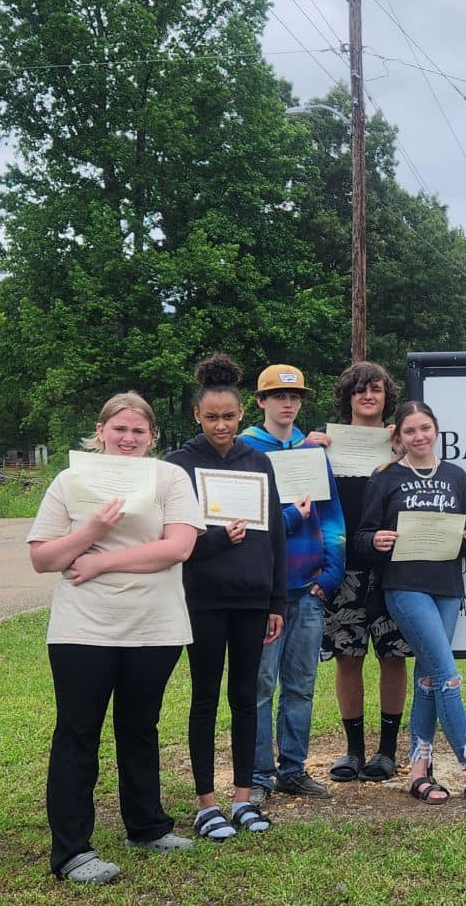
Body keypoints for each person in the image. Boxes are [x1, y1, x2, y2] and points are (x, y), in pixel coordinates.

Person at [28, 393, 203, 884]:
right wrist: (94, 530)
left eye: (138, 431)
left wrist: (101, 559)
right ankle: (71, 852)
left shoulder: (169, 477)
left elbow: (180, 545)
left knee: (140, 727)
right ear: (101, 431)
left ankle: (147, 827)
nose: (128, 438)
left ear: (152, 437)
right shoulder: (71, 480)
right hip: (83, 626)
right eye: (119, 429)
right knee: (78, 733)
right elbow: (44, 557)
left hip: (155, 624)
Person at [355, 400, 466, 804]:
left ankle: (417, 770)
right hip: (405, 587)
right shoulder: (385, 478)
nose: (418, 437)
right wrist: (375, 541)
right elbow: (362, 540)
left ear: (436, 430)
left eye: (425, 428)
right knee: (446, 673)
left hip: (447, 588)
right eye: (410, 431)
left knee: (429, 677)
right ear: (398, 437)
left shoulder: (455, 476)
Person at [165, 354, 286, 840]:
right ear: (196, 415)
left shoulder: (257, 462)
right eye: (211, 416)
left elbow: (274, 533)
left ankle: (242, 798)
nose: (221, 425)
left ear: (242, 417)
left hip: (253, 600)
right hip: (202, 600)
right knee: (205, 697)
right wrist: (215, 538)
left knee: (246, 697)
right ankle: (205, 803)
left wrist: (277, 601)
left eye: (229, 416)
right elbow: (171, 539)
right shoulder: (177, 466)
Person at [240, 364, 346, 803]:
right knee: (261, 685)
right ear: (261, 401)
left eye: (296, 397)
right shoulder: (246, 450)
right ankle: (260, 775)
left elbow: (333, 516)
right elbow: (247, 521)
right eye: (279, 397)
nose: (288, 404)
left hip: (309, 589)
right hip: (267, 593)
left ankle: (293, 769)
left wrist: (332, 572)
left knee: (301, 684)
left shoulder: (313, 452)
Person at [306, 362, 408, 784]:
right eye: (359, 390)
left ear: (387, 397)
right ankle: (352, 750)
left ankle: (386, 752)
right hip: (343, 567)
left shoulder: (400, 445)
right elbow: (298, 491)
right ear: (346, 398)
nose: (368, 396)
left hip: (392, 568)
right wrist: (304, 449)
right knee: (348, 658)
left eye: (377, 390)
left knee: (393, 656)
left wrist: (403, 452)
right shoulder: (322, 445)